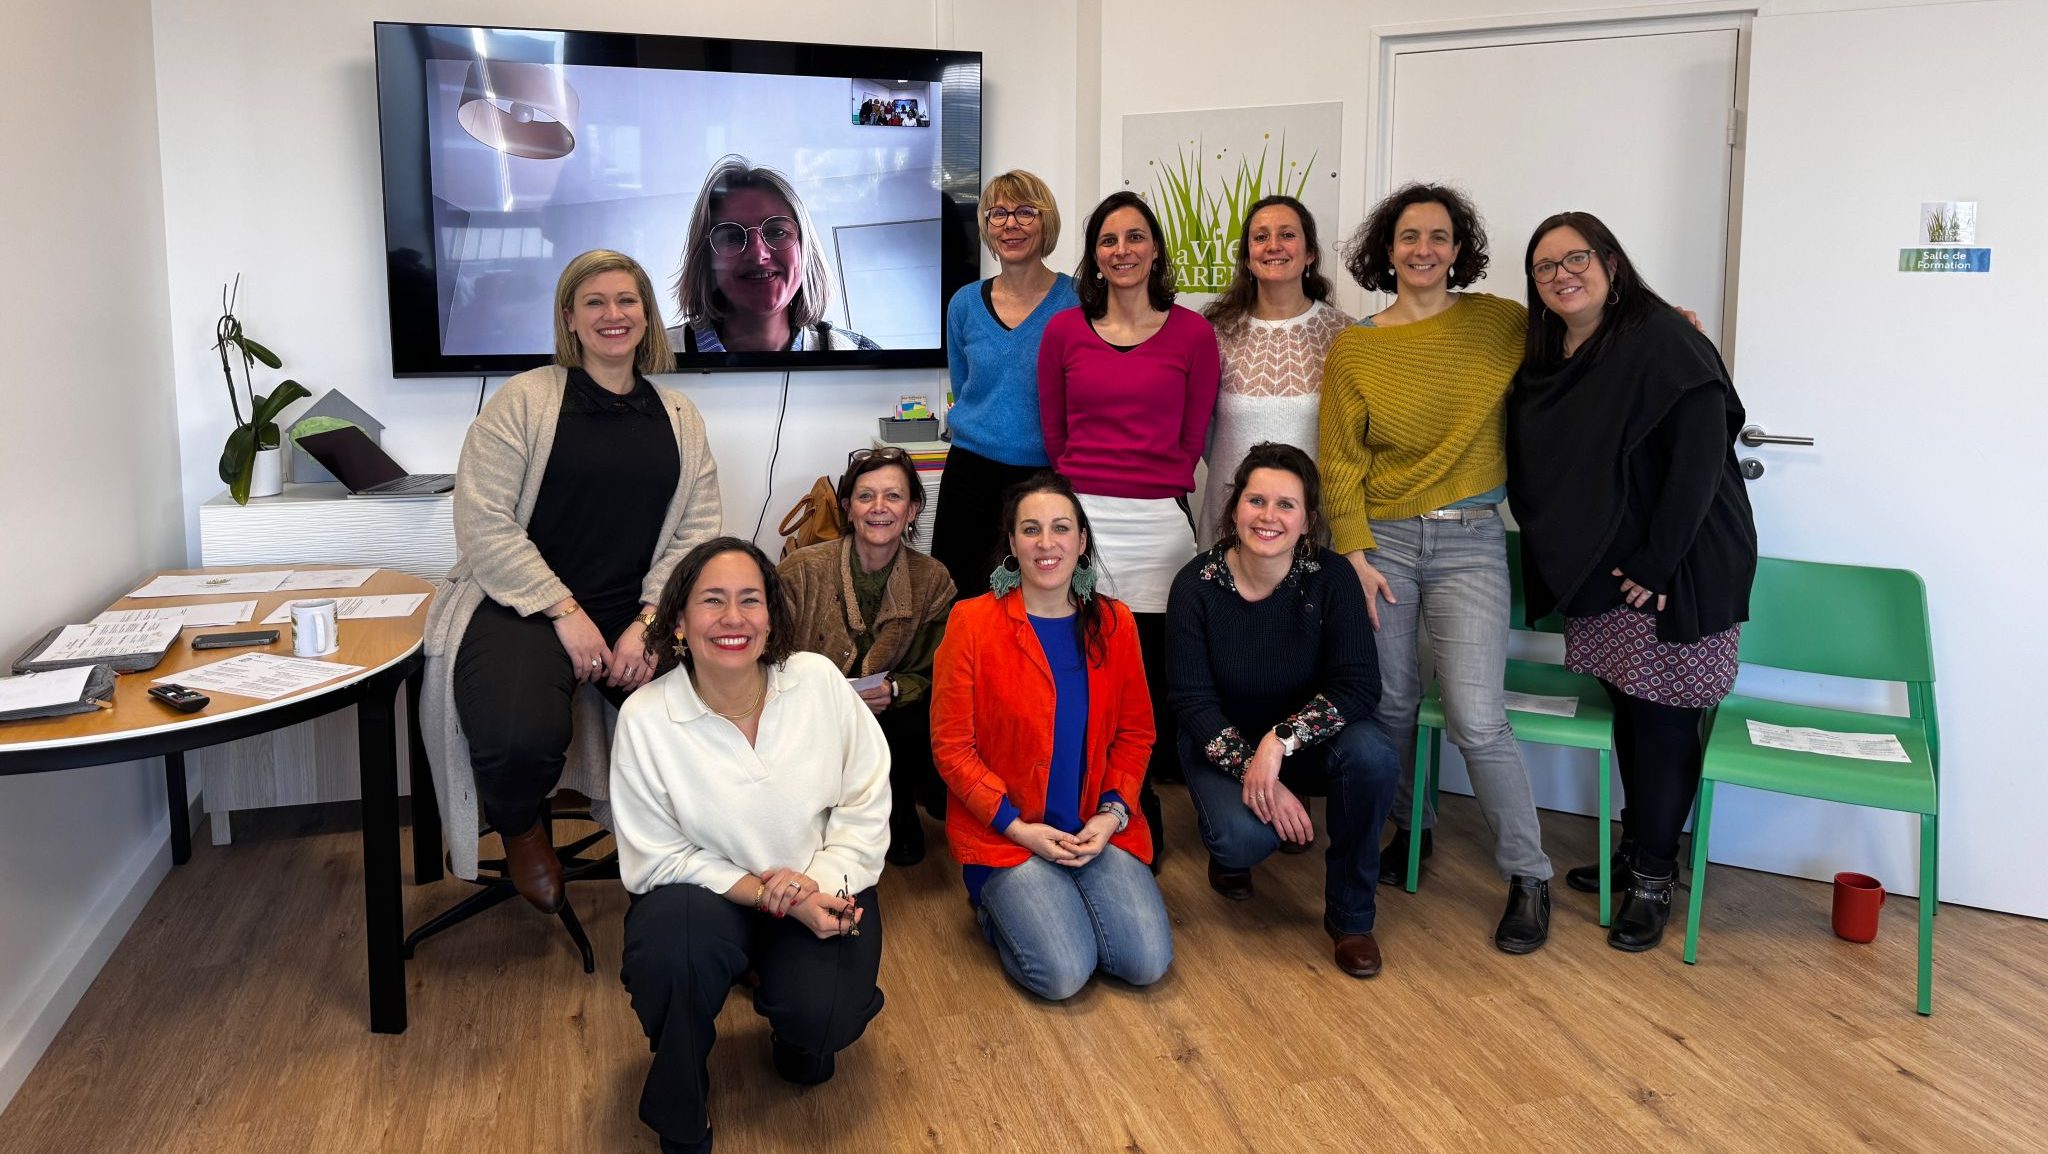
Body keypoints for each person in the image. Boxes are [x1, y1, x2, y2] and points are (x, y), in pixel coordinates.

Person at [422, 249, 721, 912]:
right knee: (514, 738)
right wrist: (563, 609)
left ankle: (713, 885)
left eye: (626, 301)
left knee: (716, 726)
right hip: (523, 599)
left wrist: (651, 621)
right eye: (595, 303)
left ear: (646, 316)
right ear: (570, 319)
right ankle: (523, 828)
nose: (612, 315)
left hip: (638, 605)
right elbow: (483, 521)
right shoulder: (525, 401)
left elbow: (694, 534)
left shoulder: (680, 418)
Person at [1508, 211, 1757, 953]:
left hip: (1673, 569)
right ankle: (1637, 847)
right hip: (1606, 571)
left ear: (1612, 262)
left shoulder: (1665, 338)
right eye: (1545, 266)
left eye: (1575, 257)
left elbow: (1701, 456)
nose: (1561, 274)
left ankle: (1654, 876)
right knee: (1630, 708)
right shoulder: (1559, 352)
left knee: (1664, 721)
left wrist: (1656, 564)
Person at [1318, 182, 1555, 954]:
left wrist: (1667, 328)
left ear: (1460, 249)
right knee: (1387, 707)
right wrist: (1351, 551)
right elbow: (1342, 462)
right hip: (1381, 541)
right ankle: (1409, 833)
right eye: (1409, 236)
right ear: (1386, 250)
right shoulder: (1356, 345)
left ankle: (1528, 873)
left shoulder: (1502, 324)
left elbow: (1584, 351)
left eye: (1439, 237)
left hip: (1472, 539)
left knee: (1477, 716)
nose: (1424, 250)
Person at [612, 538, 889, 1154]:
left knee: (819, 1033)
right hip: (707, 899)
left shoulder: (816, 682)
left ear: (772, 616)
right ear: (678, 621)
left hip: (817, 884)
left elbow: (865, 802)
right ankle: (681, 1100)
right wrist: (771, 895)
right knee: (670, 956)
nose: (733, 618)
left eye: (749, 601)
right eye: (713, 601)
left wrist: (817, 883)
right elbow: (656, 855)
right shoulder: (646, 718)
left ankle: (788, 1010)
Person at [929, 471, 1173, 1001]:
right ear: (1012, 543)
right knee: (1062, 976)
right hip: (1008, 835)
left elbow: (1136, 733)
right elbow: (952, 749)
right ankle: (994, 909)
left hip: (1093, 825)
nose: (1047, 543)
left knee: (1147, 962)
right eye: (1031, 529)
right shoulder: (971, 624)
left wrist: (1111, 816)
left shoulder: (1116, 622)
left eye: (1061, 528)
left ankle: (1064, 895)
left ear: (1081, 541)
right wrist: (1017, 829)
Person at [1167, 443, 1403, 977]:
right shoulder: (1195, 586)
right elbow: (1191, 703)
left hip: (1300, 741)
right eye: (1256, 501)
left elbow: (1360, 686)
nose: (1268, 517)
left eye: (1286, 505)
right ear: (1233, 510)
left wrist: (1280, 742)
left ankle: (1351, 917)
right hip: (1220, 742)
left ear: (1308, 520)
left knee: (1374, 756)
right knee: (1245, 839)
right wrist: (1258, 771)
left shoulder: (1332, 576)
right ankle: (1231, 856)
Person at [1039, 190, 1221, 823]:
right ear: (1094, 256)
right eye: (1109, 240)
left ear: (1155, 249)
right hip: (1083, 520)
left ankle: (1138, 801)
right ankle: (1102, 797)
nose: (1123, 251)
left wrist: (1153, 479)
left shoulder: (1193, 333)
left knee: (1149, 670)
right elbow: (1054, 433)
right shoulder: (1063, 330)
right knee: (1086, 665)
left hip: (1159, 521)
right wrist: (1083, 492)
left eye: (1135, 237)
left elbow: (1195, 437)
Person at [779, 445, 956, 866]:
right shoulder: (802, 570)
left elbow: (941, 669)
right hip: (806, 712)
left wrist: (895, 688)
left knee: (922, 712)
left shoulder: (933, 579)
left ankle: (897, 806)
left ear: (913, 509)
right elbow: (768, 659)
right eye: (865, 496)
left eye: (893, 497)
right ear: (848, 508)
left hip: (888, 720)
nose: (879, 508)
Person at [930, 169, 1079, 601]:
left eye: (1024, 212)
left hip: (1046, 479)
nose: (1010, 224)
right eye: (997, 214)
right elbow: (967, 387)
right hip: (971, 477)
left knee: (1040, 602)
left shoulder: (1078, 302)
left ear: (1045, 221)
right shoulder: (963, 304)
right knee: (962, 602)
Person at [1199, 196, 1354, 546]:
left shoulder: (1344, 335)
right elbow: (1202, 432)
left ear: (1310, 253)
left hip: (1309, 525)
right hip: (1231, 522)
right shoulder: (1214, 333)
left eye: (1286, 235)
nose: (1273, 246)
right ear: (1247, 257)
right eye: (1260, 237)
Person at [668, 154, 880, 353]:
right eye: (732, 236)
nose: (758, 255)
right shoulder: (647, 358)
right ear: (706, 259)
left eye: (777, 231)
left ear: (805, 248)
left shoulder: (860, 352)